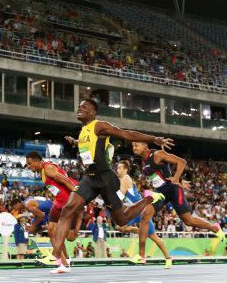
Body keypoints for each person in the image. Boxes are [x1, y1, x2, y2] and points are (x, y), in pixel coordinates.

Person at [49, 99, 173, 274]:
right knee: (67, 209)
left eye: (84, 107)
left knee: (121, 220)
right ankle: (59, 259)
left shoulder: (100, 125)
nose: (80, 108)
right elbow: (87, 147)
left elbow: (126, 134)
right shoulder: (84, 130)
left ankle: (149, 198)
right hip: (90, 177)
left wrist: (154, 139)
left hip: (106, 177)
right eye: (79, 106)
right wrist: (75, 142)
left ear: (93, 112)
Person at [131, 141, 224, 264]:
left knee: (188, 221)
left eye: (136, 145)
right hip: (161, 193)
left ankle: (215, 228)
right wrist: (178, 179)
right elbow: (163, 173)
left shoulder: (157, 154)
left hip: (173, 190)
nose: (134, 147)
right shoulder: (143, 162)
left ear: (145, 146)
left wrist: (176, 178)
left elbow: (182, 162)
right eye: (132, 146)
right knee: (145, 215)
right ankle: (141, 256)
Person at [25, 152, 83, 267]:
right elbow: (55, 187)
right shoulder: (43, 171)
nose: (28, 166)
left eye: (29, 163)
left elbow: (66, 181)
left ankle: (62, 260)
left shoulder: (47, 168)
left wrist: (77, 193)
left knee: (70, 237)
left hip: (67, 202)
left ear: (37, 161)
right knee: (51, 229)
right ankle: (63, 262)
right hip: (58, 203)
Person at [115, 159, 171, 268]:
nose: (117, 169)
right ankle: (142, 234)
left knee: (153, 237)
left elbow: (120, 196)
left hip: (140, 211)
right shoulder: (122, 180)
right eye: (117, 167)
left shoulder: (125, 178)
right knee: (122, 228)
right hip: (135, 211)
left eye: (119, 168)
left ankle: (168, 259)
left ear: (125, 170)